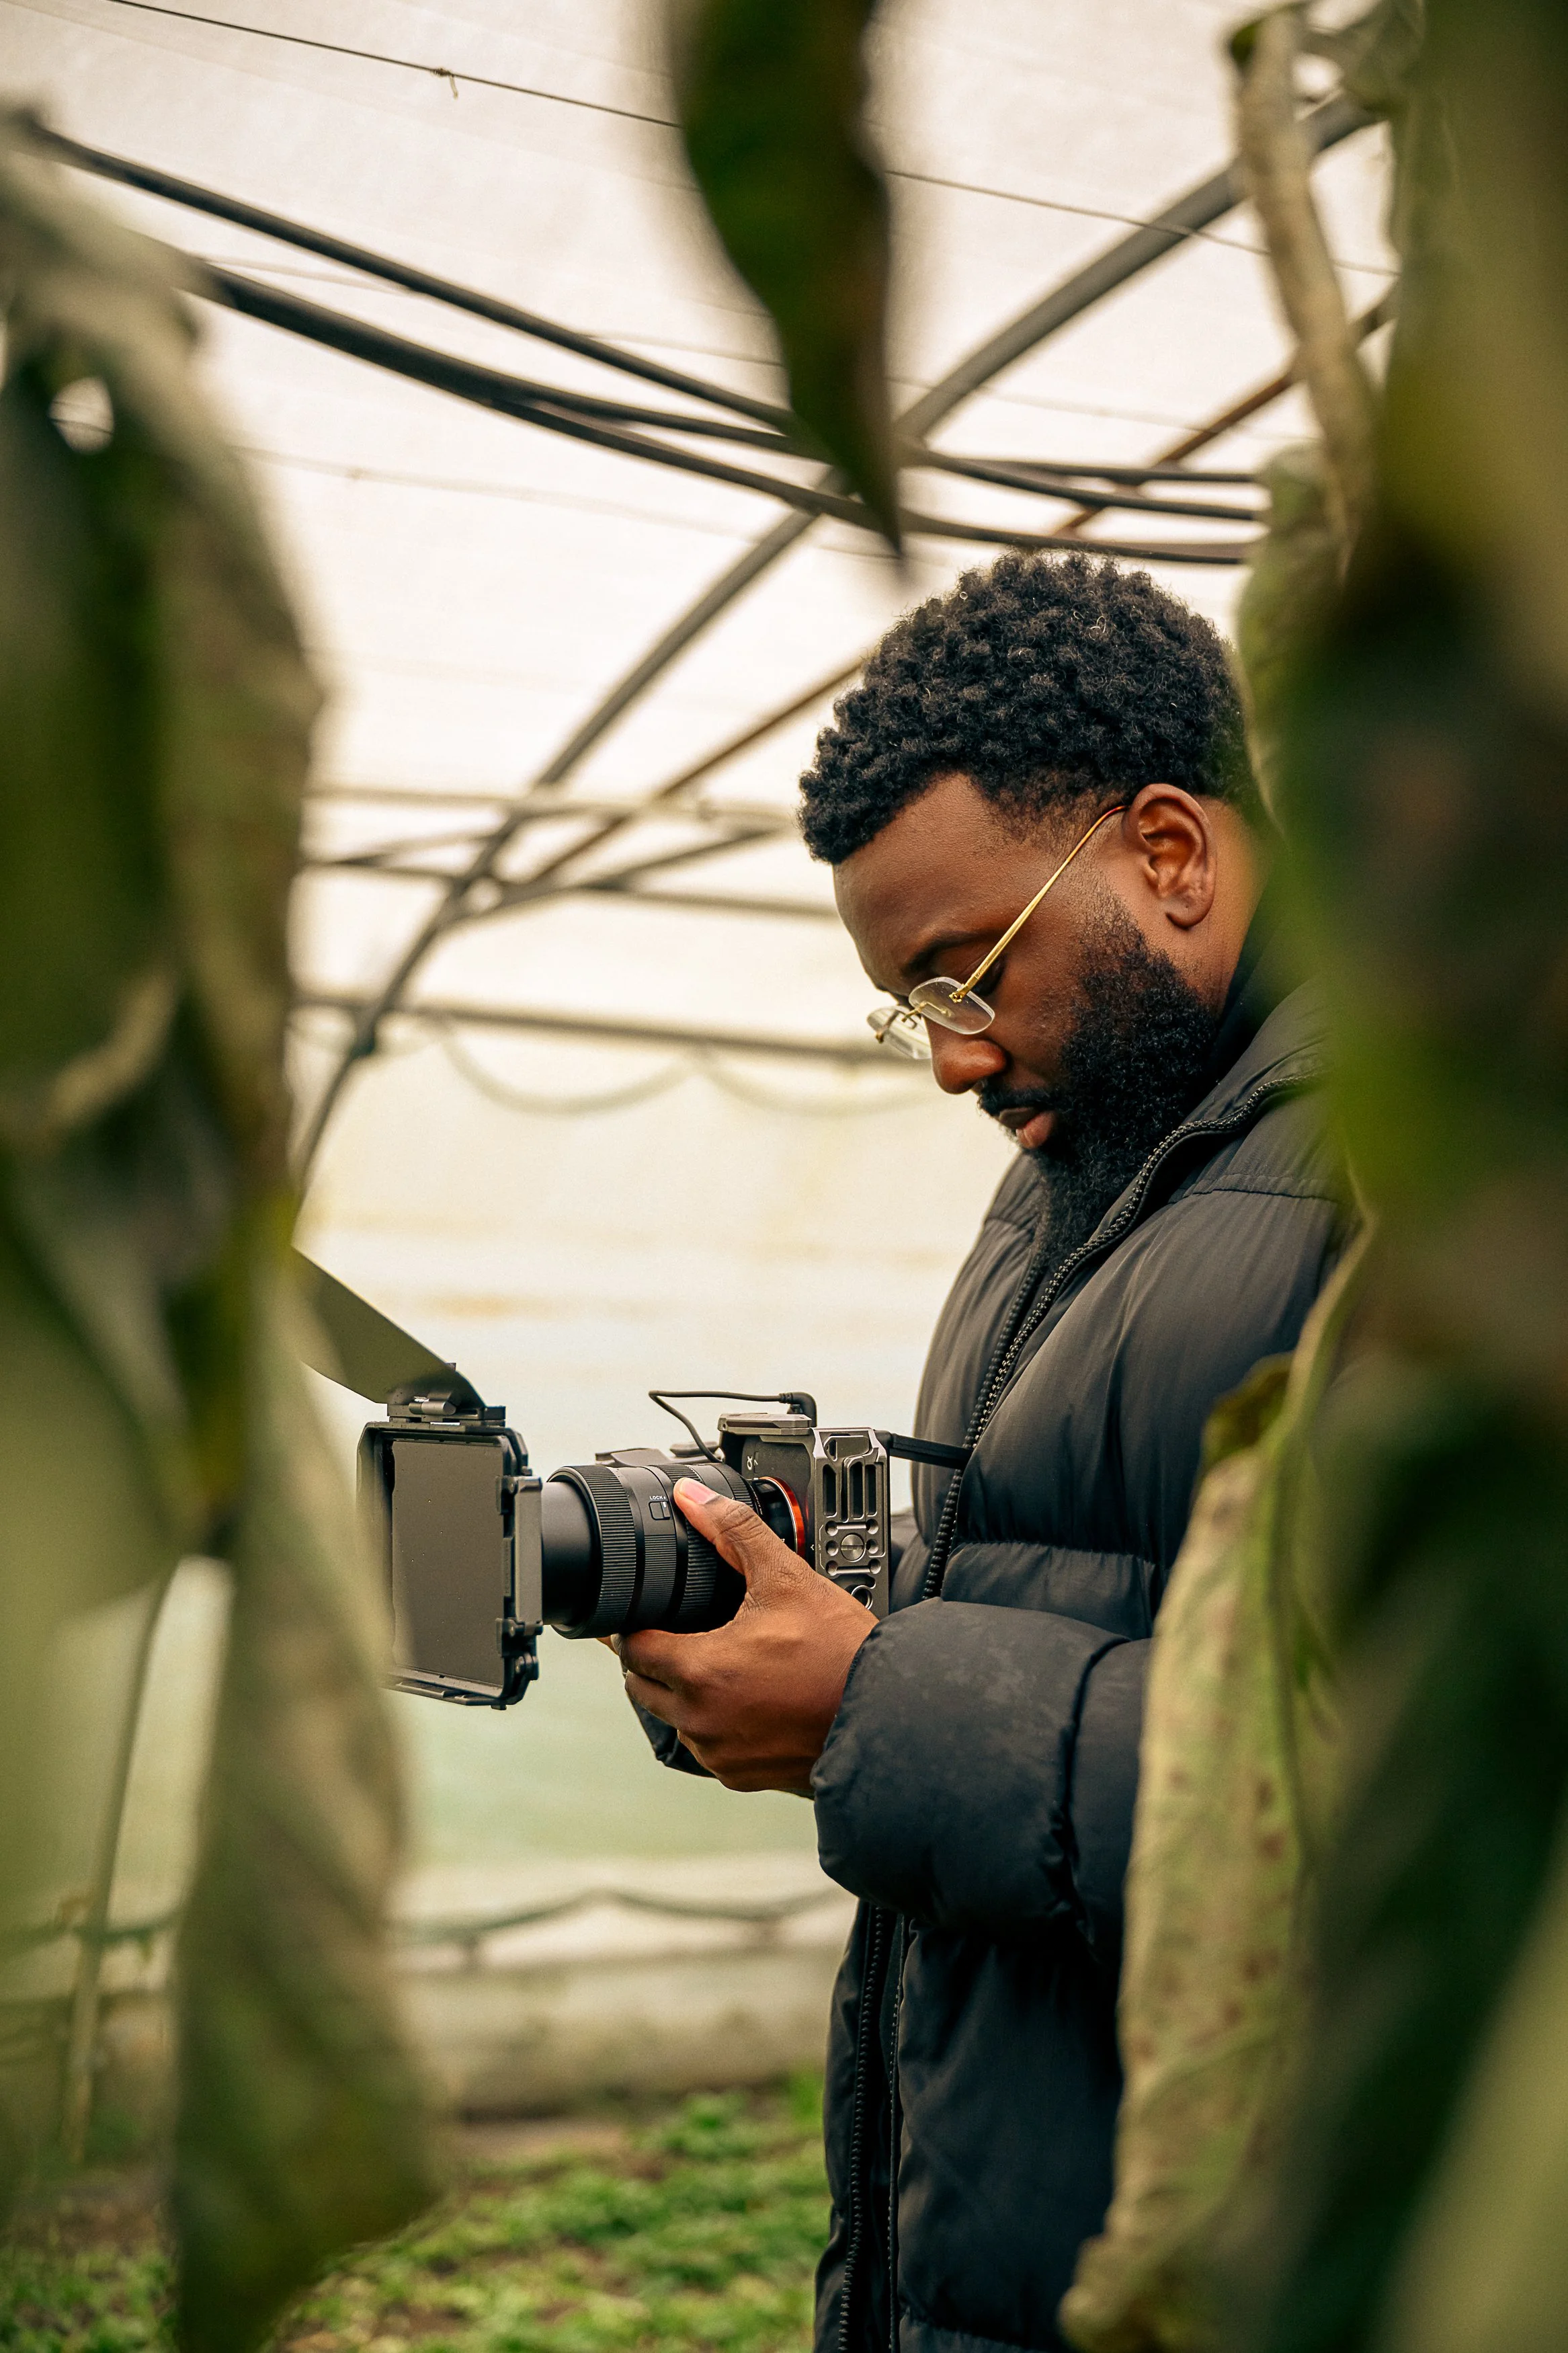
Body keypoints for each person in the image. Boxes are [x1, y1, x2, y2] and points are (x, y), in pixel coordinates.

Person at [617, 552, 1346, 2353]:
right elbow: (1053, 1588)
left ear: (1168, 854)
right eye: (911, 1010)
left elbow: (1434, 1807)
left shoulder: (1438, 1170)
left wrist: (880, 1708)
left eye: (959, 976)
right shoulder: (1058, 1185)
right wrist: (783, 1631)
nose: (949, 1064)